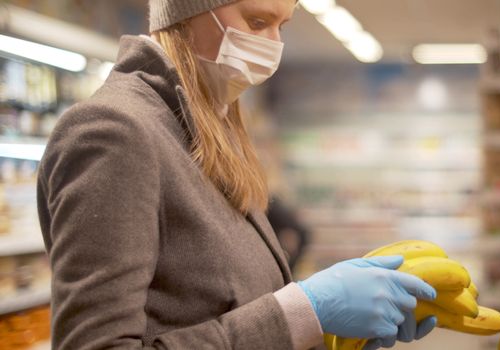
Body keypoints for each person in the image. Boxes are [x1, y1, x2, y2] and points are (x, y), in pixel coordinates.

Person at [36, 0, 438, 349]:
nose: (273, 46)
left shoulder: (207, 131)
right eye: (257, 22)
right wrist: (306, 312)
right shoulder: (115, 131)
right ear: (188, 13)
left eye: (282, 26)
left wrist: (328, 333)